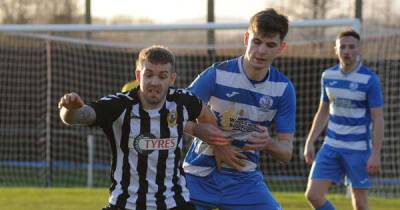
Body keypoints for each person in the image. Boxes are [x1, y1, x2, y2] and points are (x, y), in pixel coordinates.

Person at [58, 45, 229, 210]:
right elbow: (76, 117)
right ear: (138, 76)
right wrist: (69, 109)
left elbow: (206, 115)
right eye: (149, 75)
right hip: (125, 204)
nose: (155, 82)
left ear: (172, 79)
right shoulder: (119, 105)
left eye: (162, 76)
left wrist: (218, 145)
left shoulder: (183, 101)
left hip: (175, 203)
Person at [182, 8, 296, 210]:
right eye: (257, 41)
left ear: (281, 48)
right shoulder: (216, 74)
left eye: (270, 45)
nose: (261, 51)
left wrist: (269, 143)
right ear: (246, 39)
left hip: (244, 181)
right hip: (198, 176)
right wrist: (209, 137)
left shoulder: (283, 90)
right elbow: (172, 115)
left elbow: (287, 153)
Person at [303, 29, 384, 210]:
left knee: (360, 204)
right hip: (331, 146)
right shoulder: (328, 76)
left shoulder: (370, 79)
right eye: (343, 47)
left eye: (351, 47)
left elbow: (378, 118)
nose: (347, 51)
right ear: (336, 50)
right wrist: (310, 141)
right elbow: (323, 111)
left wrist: (376, 153)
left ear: (359, 50)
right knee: (313, 195)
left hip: (358, 149)